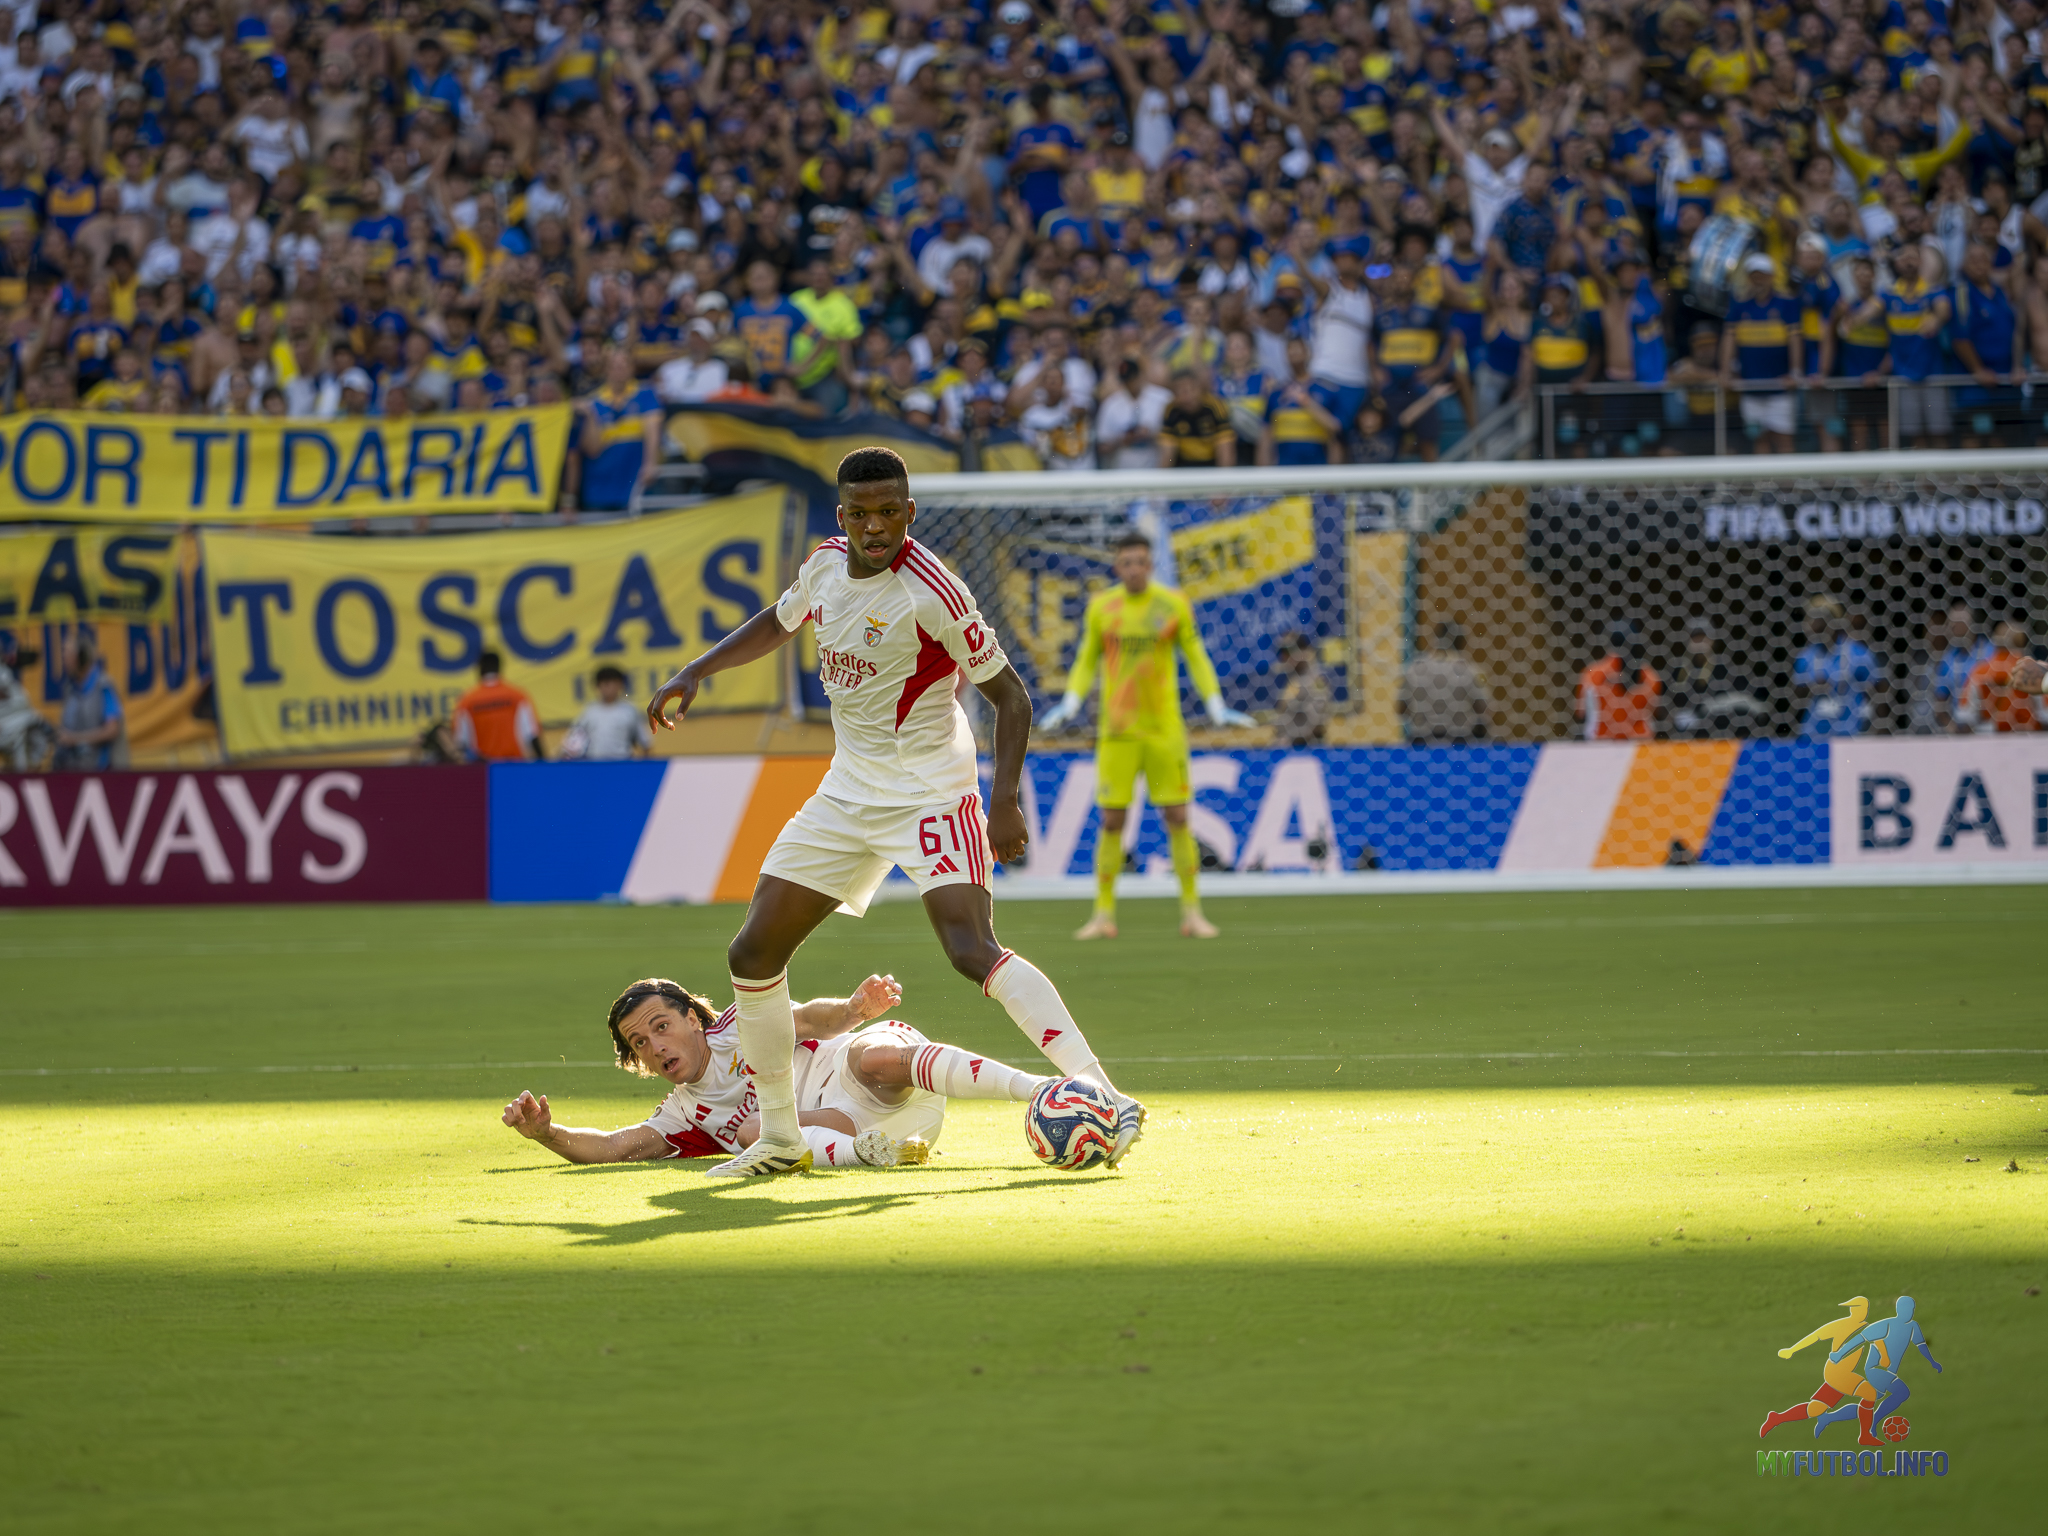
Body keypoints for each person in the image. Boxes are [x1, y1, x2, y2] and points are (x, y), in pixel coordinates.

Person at [644, 447, 1147, 1177]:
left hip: (929, 792)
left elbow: (1012, 697)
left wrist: (1001, 802)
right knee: (752, 955)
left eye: (889, 513)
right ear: (841, 516)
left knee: (970, 949)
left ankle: (1104, 1093)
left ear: (909, 513)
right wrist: (697, 670)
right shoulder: (822, 565)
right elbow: (780, 621)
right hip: (848, 791)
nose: (875, 527)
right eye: (860, 514)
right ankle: (781, 1141)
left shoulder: (934, 591)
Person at [501, 973, 1056, 1172]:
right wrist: (547, 1133)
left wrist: (855, 1010)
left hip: (870, 1081)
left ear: (693, 1017)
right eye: (639, 1043)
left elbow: (814, 1016)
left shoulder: (743, 1023)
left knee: (873, 1055)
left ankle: (1042, 1091)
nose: (654, 1046)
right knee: (752, 1133)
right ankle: (869, 1153)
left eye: (661, 1026)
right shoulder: (681, 1115)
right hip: (861, 1137)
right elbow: (613, 1146)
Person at [1039, 530, 1253, 941]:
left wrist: (1214, 702)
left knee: (1178, 816)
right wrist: (1070, 700)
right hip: (1117, 732)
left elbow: (1196, 655)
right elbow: (1086, 660)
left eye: (1141, 561)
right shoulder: (1103, 608)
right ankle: (1103, 915)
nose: (1135, 568)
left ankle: (1192, 913)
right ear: (1117, 567)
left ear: (1150, 565)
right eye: (1127, 562)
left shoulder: (1172, 605)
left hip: (1164, 730)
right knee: (1112, 820)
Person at [1760, 1297, 1883, 1446]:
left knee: (1815, 1409)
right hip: (1837, 1372)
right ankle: (1865, 1436)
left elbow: (1879, 1343)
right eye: (1854, 1308)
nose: (1858, 1311)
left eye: (1861, 1308)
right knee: (1870, 1393)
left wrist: (1884, 1357)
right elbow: (1816, 1336)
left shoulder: (1868, 1327)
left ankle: (1776, 1418)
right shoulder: (1842, 1324)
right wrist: (1791, 1350)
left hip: (1839, 1374)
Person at [1815, 1297, 1941, 1441]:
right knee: (1902, 1392)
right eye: (1906, 1309)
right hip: (1875, 1369)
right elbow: (1860, 1338)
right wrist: (1839, 1354)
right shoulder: (1887, 1325)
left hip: (1887, 1372)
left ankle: (1828, 1418)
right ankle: (1873, 1422)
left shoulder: (1913, 1326)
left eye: (1911, 1309)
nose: (1909, 1312)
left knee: (1868, 1404)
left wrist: (1932, 1361)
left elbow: (1921, 1345)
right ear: (1898, 1310)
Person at [1721, 254, 1800, 453]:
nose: (1758, 281)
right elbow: (1729, 340)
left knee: (1784, 440)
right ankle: (1763, 485)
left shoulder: (1786, 304)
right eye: (1754, 276)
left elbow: (1794, 340)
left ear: (1771, 277)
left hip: (1780, 388)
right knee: (1759, 440)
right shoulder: (1739, 306)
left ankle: (1788, 485)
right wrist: (1726, 372)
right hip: (1751, 388)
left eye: (1762, 276)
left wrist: (1795, 371)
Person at [575, 344, 662, 513]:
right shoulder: (592, 402)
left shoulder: (646, 394)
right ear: (605, 369)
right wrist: (591, 416)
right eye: (614, 365)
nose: (619, 369)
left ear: (632, 368)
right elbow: (592, 450)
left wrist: (651, 462)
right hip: (599, 489)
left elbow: (653, 430)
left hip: (636, 486)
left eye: (624, 364)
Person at [1792, 597, 1878, 739]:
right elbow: (1796, 697)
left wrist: (1879, 731)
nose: (1811, 623)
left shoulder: (1858, 654)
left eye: (1816, 618)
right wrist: (1811, 686)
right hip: (1813, 735)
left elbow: (1878, 691)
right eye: (1809, 618)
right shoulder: (1806, 657)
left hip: (1851, 734)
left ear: (1831, 620)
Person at [1401, 622, 1487, 743]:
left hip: (1421, 741)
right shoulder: (1468, 671)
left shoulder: (1415, 669)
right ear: (1461, 643)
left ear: (1435, 639)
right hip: (1459, 742)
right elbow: (1483, 708)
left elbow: (1400, 708)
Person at [454, 650, 544, 762]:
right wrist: (543, 764)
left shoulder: (466, 701)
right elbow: (532, 735)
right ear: (499, 667)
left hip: (482, 769)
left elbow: (461, 742)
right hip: (513, 766)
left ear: (479, 668)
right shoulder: (517, 696)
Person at [52, 631, 123, 771]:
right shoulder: (70, 688)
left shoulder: (103, 686)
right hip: (71, 769)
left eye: (67, 654)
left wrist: (75, 739)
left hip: (99, 772)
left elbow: (112, 730)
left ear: (80, 657)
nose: (64, 659)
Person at [1577, 622, 1661, 740]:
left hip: (1600, 743)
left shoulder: (1592, 674)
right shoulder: (1650, 676)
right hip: (1639, 744)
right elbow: (1655, 713)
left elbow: (1581, 712)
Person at [1959, 620, 2043, 732]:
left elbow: (1965, 716)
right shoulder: (2032, 671)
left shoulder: (1979, 671)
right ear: (2022, 643)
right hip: (2028, 736)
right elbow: (2044, 713)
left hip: (1990, 739)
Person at [562, 665, 653, 760]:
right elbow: (572, 743)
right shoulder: (589, 712)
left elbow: (645, 743)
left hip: (622, 763)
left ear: (620, 685)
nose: (608, 688)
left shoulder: (630, 711)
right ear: (597, 686)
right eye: (605, 683)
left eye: (613, 683)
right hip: (595, 765)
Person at [1274, 634, 1333, 749]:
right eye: (1283, 653)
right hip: (1289, 746)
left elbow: (1315, 722)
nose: (1285, 657)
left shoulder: (1316, 680)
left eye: (1289, 651)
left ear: (1304, 651)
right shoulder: (1292, 677)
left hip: (1307, 747)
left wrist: (1288, 739)